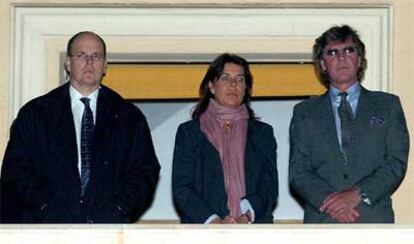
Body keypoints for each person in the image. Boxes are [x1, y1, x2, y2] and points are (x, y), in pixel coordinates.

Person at [0, 31, 160, 223]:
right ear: (68, 63)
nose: (89, 62)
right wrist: (45, 206)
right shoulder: (36, 114)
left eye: (96, 56)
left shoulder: (129, 117)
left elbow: (145, 171)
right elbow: (15, 170)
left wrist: (120, 207)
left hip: (108, 231)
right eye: (81, 55)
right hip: (46, 230)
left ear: (105, 65)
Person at [289, 25, 409, 223]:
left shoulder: (388, 106)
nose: (341, 57)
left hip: (372, 219)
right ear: (323, 64)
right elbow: (298, 172)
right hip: (323, 221)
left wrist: (357, 194)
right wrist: (331, 202)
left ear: (359, 60)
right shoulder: (304, 112)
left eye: (348, 50)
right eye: (332, 52)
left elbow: (395, 162)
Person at [172, 53, 278, 224]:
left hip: (253, 232)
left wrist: (246, 217)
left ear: (246, 89)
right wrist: (214, 221)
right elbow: (182, 188)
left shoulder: (262, 133)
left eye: (240, 79)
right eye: (225, 78)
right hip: (202, 233)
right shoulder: (189, 133)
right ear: (212, 86)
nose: (233, 84)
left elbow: (269, 186)